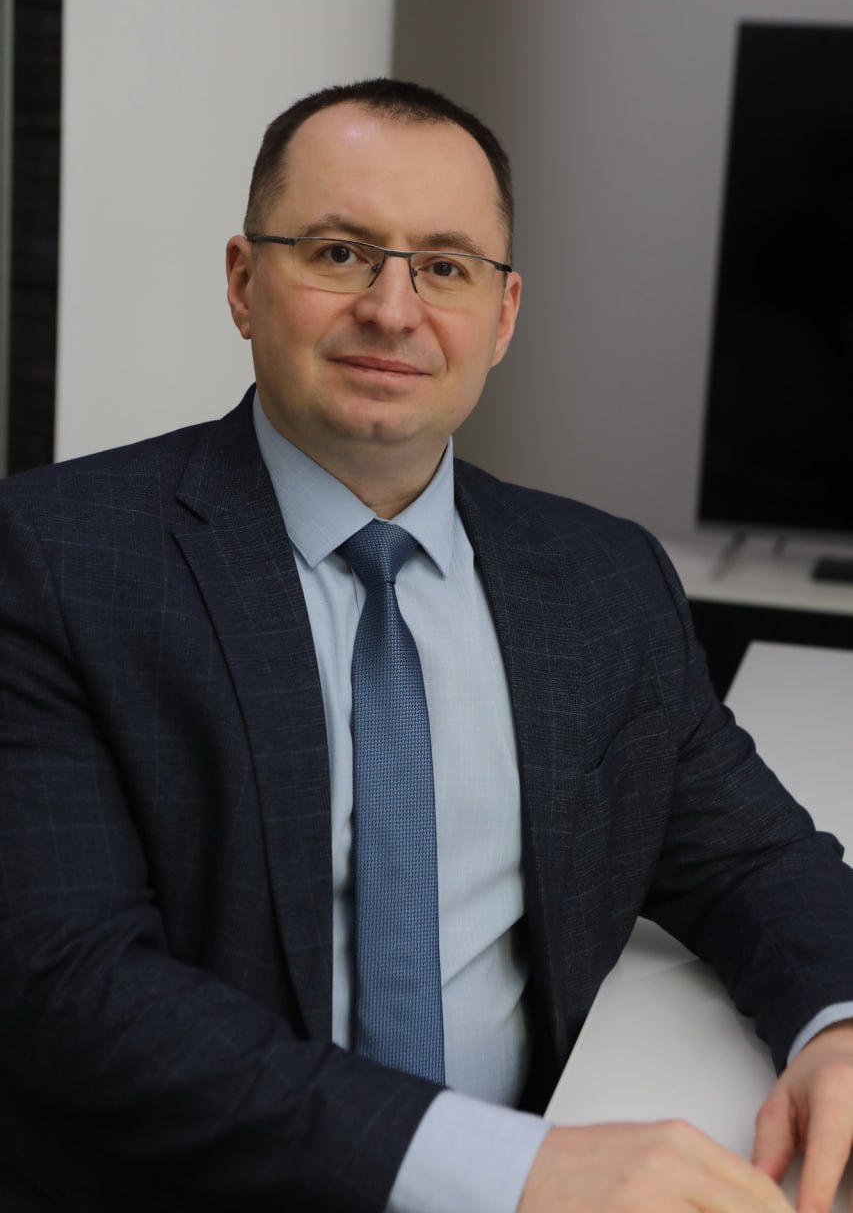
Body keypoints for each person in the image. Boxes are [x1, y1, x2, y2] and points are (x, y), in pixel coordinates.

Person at [1, 78, 853, 1213]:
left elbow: (748, 858)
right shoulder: (53, 558)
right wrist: (507, 1167)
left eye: (445, 266)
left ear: (502, 315)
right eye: (340, 252)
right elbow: (67, 984)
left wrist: (838, 1024)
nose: (393, 309)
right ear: (244, 282)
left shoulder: (604, 578)